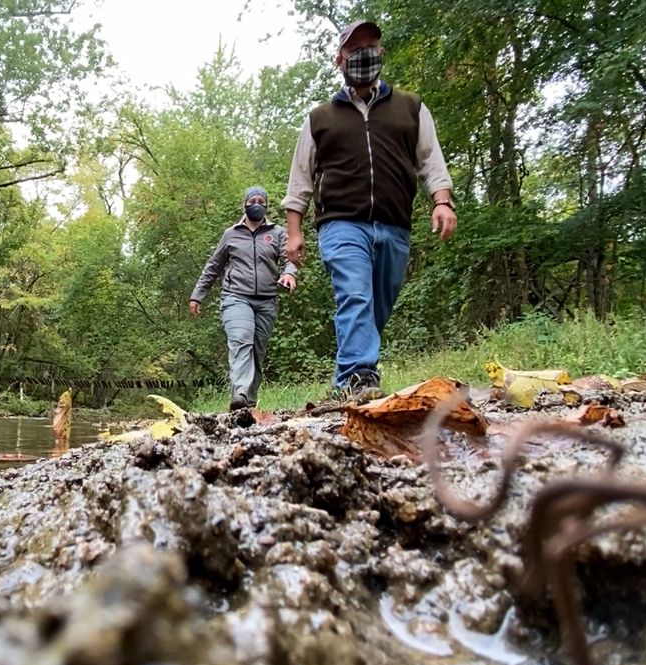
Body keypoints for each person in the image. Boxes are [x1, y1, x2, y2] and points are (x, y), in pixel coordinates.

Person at [282, 19, 458, 398]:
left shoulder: (410, 108)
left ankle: (344, 381)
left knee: (377, 306)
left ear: (381, 51)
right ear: (339, 59)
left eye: (370, 46)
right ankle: (361, 375)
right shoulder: (320, 118)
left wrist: (441, 201)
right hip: (341, 224)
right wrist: (293, 233)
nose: (363, 54)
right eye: (354, 48)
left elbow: (430, 160)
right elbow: (300, 180)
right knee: (355, 295)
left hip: (395, 225)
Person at [189, 186, 299, 411]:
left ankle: (248, 404)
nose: (256, 204)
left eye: (261, 200)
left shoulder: (277, 233)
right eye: (252, 200)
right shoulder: (231, 234)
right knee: (241, 340)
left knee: (258, 352)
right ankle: (239, 393)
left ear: (266, 205)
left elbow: (290, 257)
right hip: (236, 297)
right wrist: (197, 295)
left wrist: (289, 273)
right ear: (245, 204)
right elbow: (213, 266)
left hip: (267, 301)